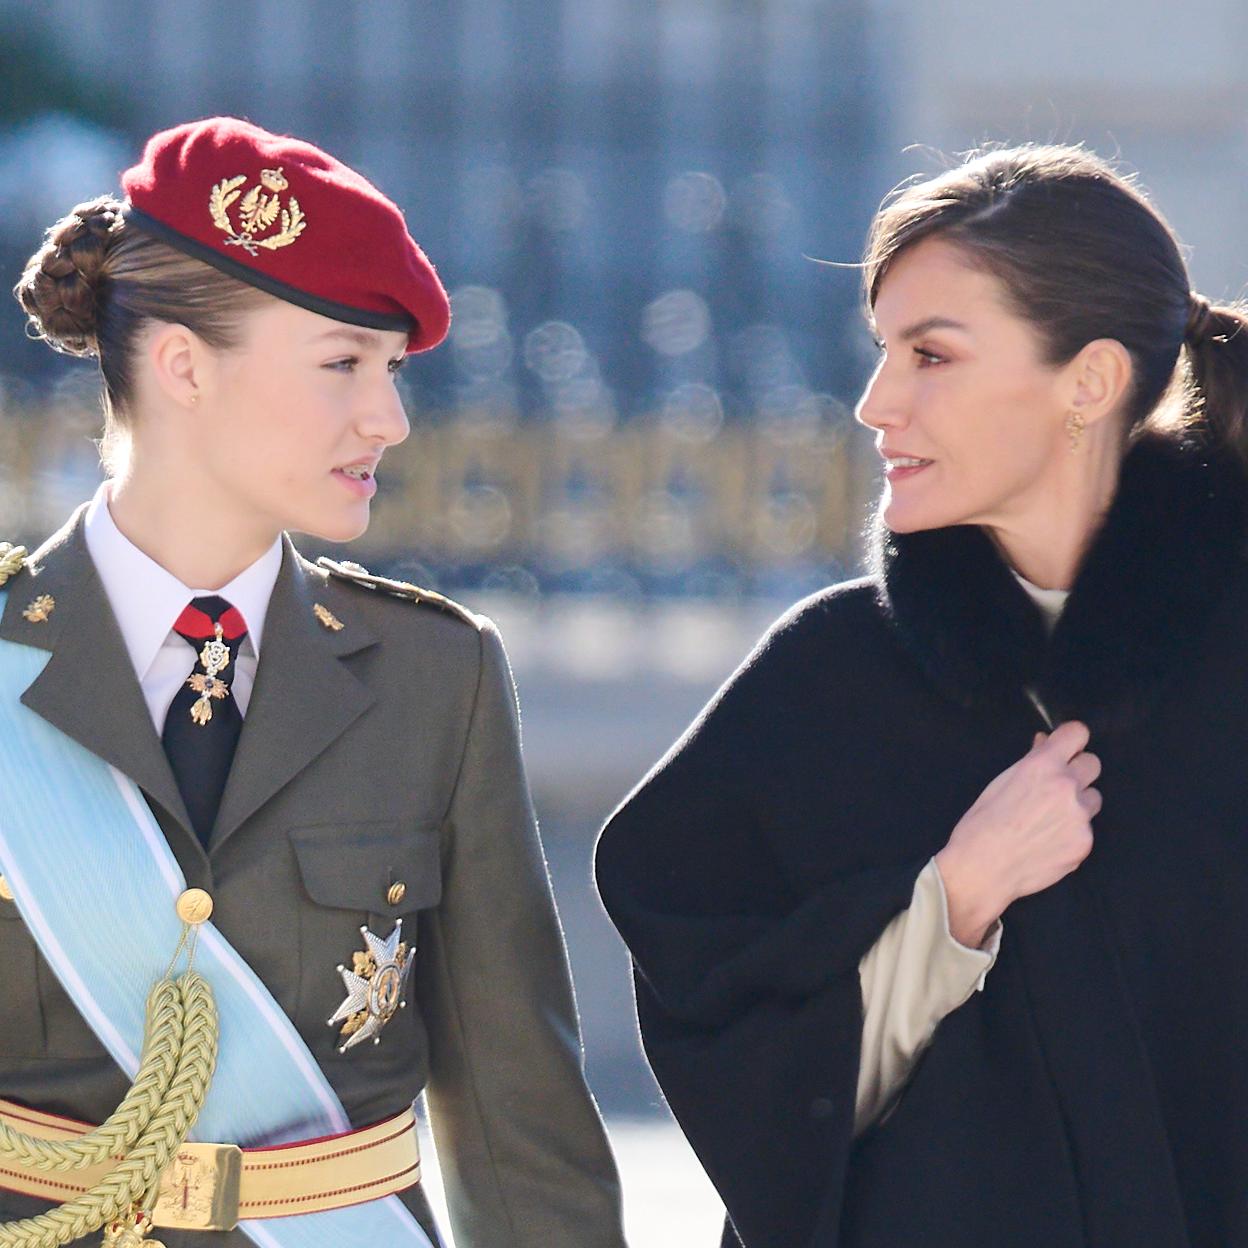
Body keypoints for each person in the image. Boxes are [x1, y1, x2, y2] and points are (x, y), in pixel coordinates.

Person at [595, 143, 1248, 1248]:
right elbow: (758, 1093)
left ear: (1086, 383)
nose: (873, 403)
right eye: (882, 352)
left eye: (931, 356)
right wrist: (955, 897)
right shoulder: (822, 685)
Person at [0, 117, 626, 1248]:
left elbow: (512, 1113)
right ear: (181, 364)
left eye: (389, 372)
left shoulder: (438, 676)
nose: (388, 418)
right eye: (343, 363)